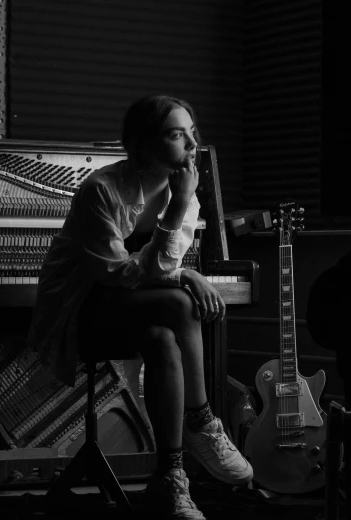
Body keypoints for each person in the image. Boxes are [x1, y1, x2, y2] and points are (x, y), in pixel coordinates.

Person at [28, 95, 253, 519]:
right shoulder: (101, 190)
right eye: (175, 134)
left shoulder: (181, 187)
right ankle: (203, 421)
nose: (191, 144)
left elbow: (162, 265)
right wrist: (184, 266)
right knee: (179, 302)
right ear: (144, 144)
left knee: (163, 339)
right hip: (82, 311)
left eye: (193, 133)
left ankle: (170, 480)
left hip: (133, 308)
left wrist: (183, 264)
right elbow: (120, 275)